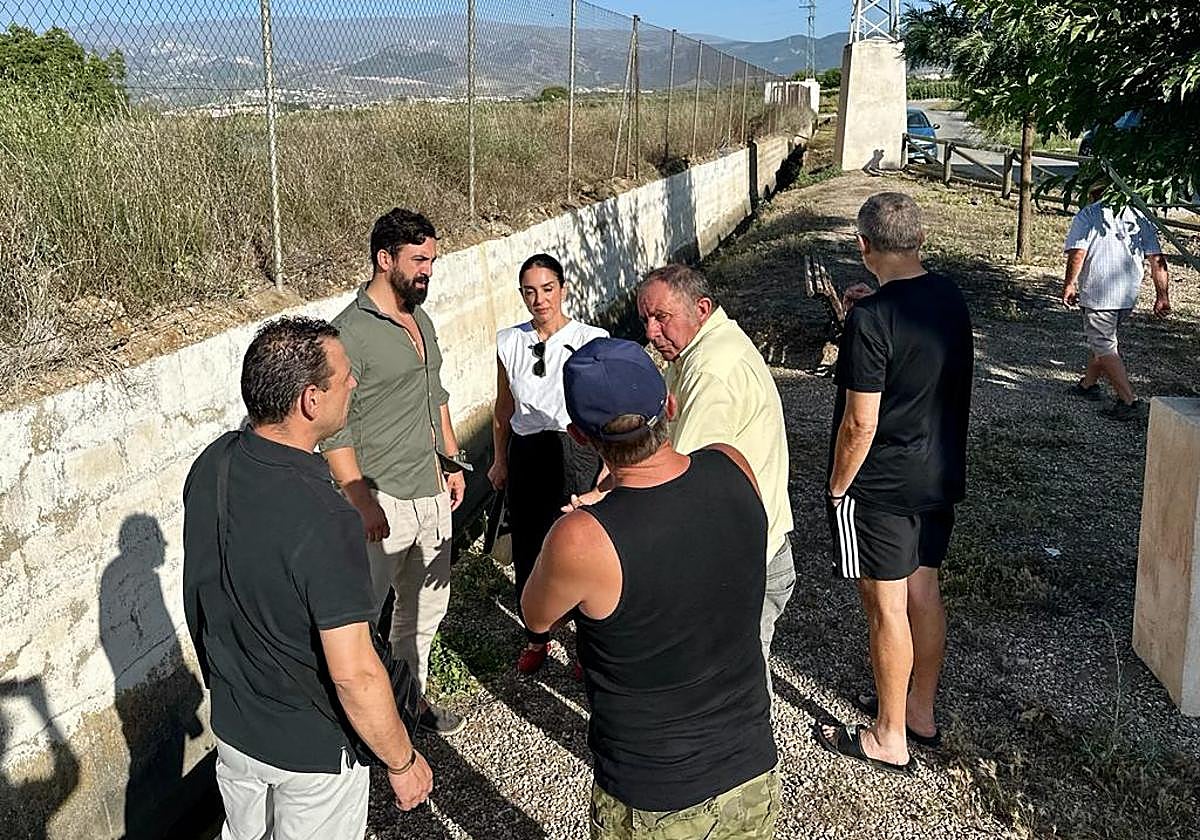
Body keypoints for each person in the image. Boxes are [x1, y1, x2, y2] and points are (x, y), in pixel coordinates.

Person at [183, 317, 433, 837]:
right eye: (344, 377)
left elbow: (209, 589)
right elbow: (355, 674)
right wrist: (403, 763)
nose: (354, 384)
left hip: (235, 732)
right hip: (312, 756)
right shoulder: (326, 518)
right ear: (311, 401)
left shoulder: (213, 464)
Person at [523, 337, 780, 840]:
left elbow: (536, 617)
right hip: (751, 766)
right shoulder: (732, 464)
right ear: (669, 403)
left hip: (654, 792)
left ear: (578, 436)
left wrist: (587, 518)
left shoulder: (582, 538)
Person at [818, 192, 972, 776]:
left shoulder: (872, 319)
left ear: (863, 246)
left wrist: (838, 486)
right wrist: (871, 308)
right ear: (920, 241)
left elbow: (861, 421)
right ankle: (918, 712)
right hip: (939, 471)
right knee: (923, 590)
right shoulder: (949, 297)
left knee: (886, 607)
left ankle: (887, 736)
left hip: (881, 485)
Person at [322, 208, 466, 735]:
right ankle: (358, 725)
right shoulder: (348, 334)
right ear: (386, 260)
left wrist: (451, 462)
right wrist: (360, 499)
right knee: (359, 622)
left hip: (430, 493)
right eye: (419, 259)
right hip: (382, 502)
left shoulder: (419, 317)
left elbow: (436, 395)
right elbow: (332, 428)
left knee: (424, 614)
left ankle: (412, 704)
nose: (429, 269)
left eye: (432, 259)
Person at [635, 264, 794, 692]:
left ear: (702, 308)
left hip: (742, 561)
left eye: (661, 318)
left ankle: (751, 757)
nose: (651, 331)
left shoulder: (711, 369)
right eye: (645, 319)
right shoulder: (695, 349)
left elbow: (674, 478)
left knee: (735, 685)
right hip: (748, 545)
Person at [487, 253, 608, 673]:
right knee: (529, 545)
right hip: (527, 451)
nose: (539, 299)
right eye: (529, 291)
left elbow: (603, 410)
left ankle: (583, 641)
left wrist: (608, 468)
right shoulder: (508, 342)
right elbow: (503, 408)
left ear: (563, 288)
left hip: (576, 449)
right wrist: (499, 459)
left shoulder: (592, 339)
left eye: (547, 289)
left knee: (579, 544)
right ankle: (537, 634)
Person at [1062, 187, 1170, 421]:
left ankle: (1128, 401)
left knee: (1104, 344)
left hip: (1100, 293)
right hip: (1126, 295)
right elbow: (1157, 259)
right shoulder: (1140, 216)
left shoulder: (1089, 215)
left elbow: (1078, 252)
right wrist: (1162, 295)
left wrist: (1070, 283)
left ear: (1094, 193)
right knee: (1101, 339)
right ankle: (1088, 385)